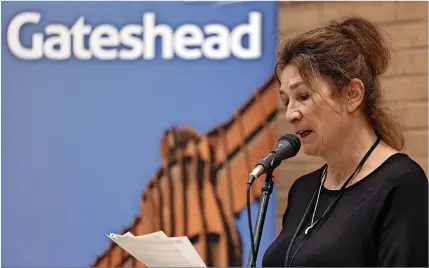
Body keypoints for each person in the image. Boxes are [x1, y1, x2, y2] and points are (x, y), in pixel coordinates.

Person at [262, 16, 428, 267]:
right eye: (287, 101)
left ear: (352, 95)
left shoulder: (401, 184)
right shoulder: (303, 191)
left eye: (303, 96)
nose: (290, 114)